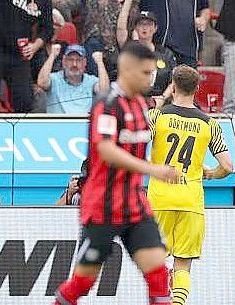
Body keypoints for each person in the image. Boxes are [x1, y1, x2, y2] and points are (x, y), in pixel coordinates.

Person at [52, 42, 179, 305]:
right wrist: (152, 169)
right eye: (145, 72)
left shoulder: (143, 106)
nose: (150, 78)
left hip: (135, 204)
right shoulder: (107, 103)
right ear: (127, 69)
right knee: (81, 284)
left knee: (159, 277)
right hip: (102, 206)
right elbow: (106, 150)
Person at [147, 65, 233, 305]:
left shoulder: (157, 117)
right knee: (183, 263)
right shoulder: (209, 124)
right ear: (197, 89)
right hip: (191, 200)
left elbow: (135, 142)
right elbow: (227, 166)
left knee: (157, 261)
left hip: (160, 199)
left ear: (173, 87)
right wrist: (210, 174)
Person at [117, 3, 177, 99]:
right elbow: (120, 29)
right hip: (135, 99)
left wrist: (162, 98)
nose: (144, 28)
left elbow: (173, 81)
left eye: (149, 24)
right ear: (135, 28)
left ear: (155, 28)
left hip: (160, 100)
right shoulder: (130, 51)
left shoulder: (166, 53)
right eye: (141, 24)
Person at [38, 44, 110, 114]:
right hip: (58, 125)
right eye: (70, 60)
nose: (74, 64)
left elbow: (104, 90)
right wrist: (52, 55)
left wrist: (100, 62)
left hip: (83, 125)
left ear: (85, 63)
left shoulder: (91, 81)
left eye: (78, 60)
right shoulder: (55, 78)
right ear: (64, 61)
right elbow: (42, 82)